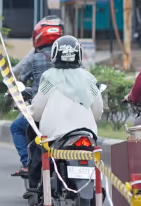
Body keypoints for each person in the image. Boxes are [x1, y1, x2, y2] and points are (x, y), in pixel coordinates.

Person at [26, 35, 104, 178]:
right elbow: (98, 111)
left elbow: (37, 111)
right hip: (87, 134)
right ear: (78, 55)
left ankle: (35, 185)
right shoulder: (89, 79)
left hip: (55, 136)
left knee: (37, 150)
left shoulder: (49, 78)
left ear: (55, 54)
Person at [10, 16, 63, 175]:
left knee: (16, 127)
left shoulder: (35, 58)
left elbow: (20, 78)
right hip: (67, 109)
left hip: (41, 109)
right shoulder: (70, 59)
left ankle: (27, 163)